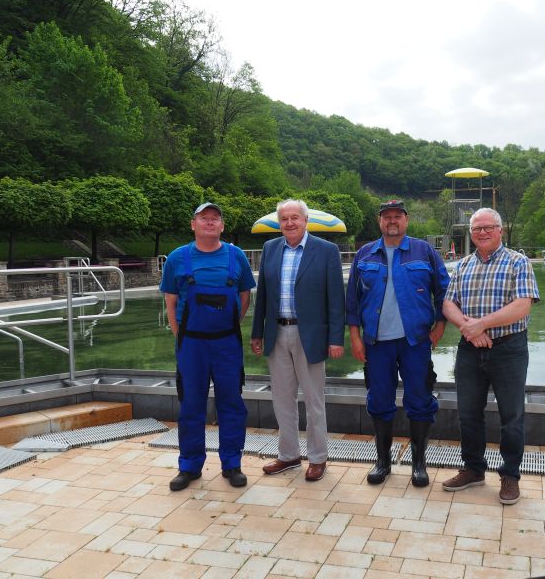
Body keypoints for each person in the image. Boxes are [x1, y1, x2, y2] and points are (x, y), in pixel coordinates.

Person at [346, 200, 450, 487]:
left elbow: (443, 289)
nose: (392, 221)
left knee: (419, 398)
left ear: (406, 220)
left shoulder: (424, 251)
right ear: (380, 222)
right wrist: (355, 336)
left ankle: (419, 463)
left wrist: (440, 324)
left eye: (397, 216)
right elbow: (352, 300)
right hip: (376, 342)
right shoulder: (365, 254)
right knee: (379, 400)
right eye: (386, 217)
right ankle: (383, 462)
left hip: (415, 341)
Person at [441, 207, 539, 504]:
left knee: (512, 416)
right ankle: (473, 469)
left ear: (500, 230)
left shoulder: (518, 262)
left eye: (487, 227)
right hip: (470, 350)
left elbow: (522, 306)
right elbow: (448, 304)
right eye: (476, 229)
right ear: (471, 233)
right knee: (468, 414)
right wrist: (469, 329)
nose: (481, 232)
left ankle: (510, 475)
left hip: (508, 349)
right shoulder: (462, 266)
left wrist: (481, 324)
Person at [160, 202, 256, 491]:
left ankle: (231, 464)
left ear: (222, 226)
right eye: (204, 218)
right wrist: (183, 335)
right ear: (194, 225)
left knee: (232, 403)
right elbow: (171, 302)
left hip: (226, 343)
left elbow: (244, 298)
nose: (210, 223)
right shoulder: (177, 258)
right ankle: (189, 466)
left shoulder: (236, 256)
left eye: (215, 219)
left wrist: (226, 326)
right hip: (192, 345)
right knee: (191, 404)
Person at [250, 199, 345, 482]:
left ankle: (318, 458)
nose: (289, 223)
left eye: (295, 218)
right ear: (279, 223)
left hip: (311, 335)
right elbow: (263, 296)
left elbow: (335, 299)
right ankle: (289, 455)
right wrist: (257, 332)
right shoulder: (270, 249)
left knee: (314, 401)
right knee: (282, 399)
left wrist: (335, 338)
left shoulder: (326, 251)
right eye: (284, 219)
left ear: (306, 220)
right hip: (277, 333)